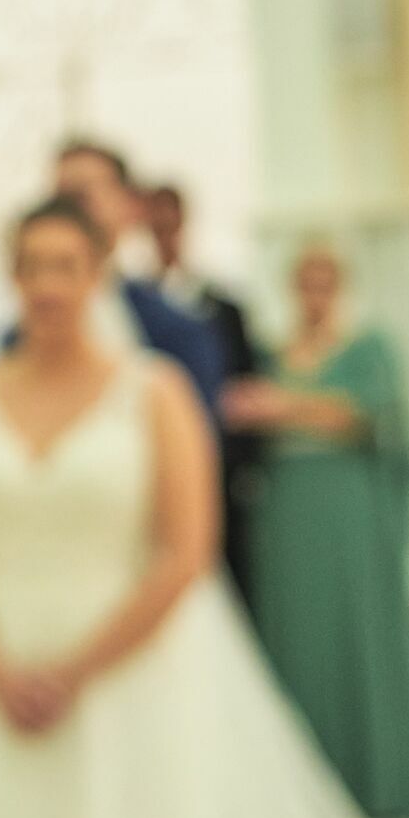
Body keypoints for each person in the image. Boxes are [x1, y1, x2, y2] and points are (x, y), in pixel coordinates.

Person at [0, 197, 409, 818]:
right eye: (31, 266)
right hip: (3, 670)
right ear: (9, 278)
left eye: (66, 266)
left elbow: (186, 552)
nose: (47, 285)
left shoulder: (154, 392)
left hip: (125, 663)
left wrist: (75, 670)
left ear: (97, 276)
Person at [223, 246, 409, 818]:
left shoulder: (370, 349)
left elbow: (373, 419)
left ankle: (373, 781)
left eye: (326, 282)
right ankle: (306, 793)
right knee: (298, 640)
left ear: (340, 286)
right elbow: (245, 416)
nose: (315, 294)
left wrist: (284, 408)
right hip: (287, 518)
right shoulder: (271, 352)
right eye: (306, 282)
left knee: (357, 634)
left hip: (350, 516)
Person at [142, 184, 266, 605]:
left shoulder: (224, 308)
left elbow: (246, 384)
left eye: (170, 218)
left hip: (218, 466)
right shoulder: (134, 307)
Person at [46, 141, 227, 410]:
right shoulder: (18, 338)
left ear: (126, 204)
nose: (70, 212)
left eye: (83, 196)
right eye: (60, 198)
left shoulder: (178, 331)